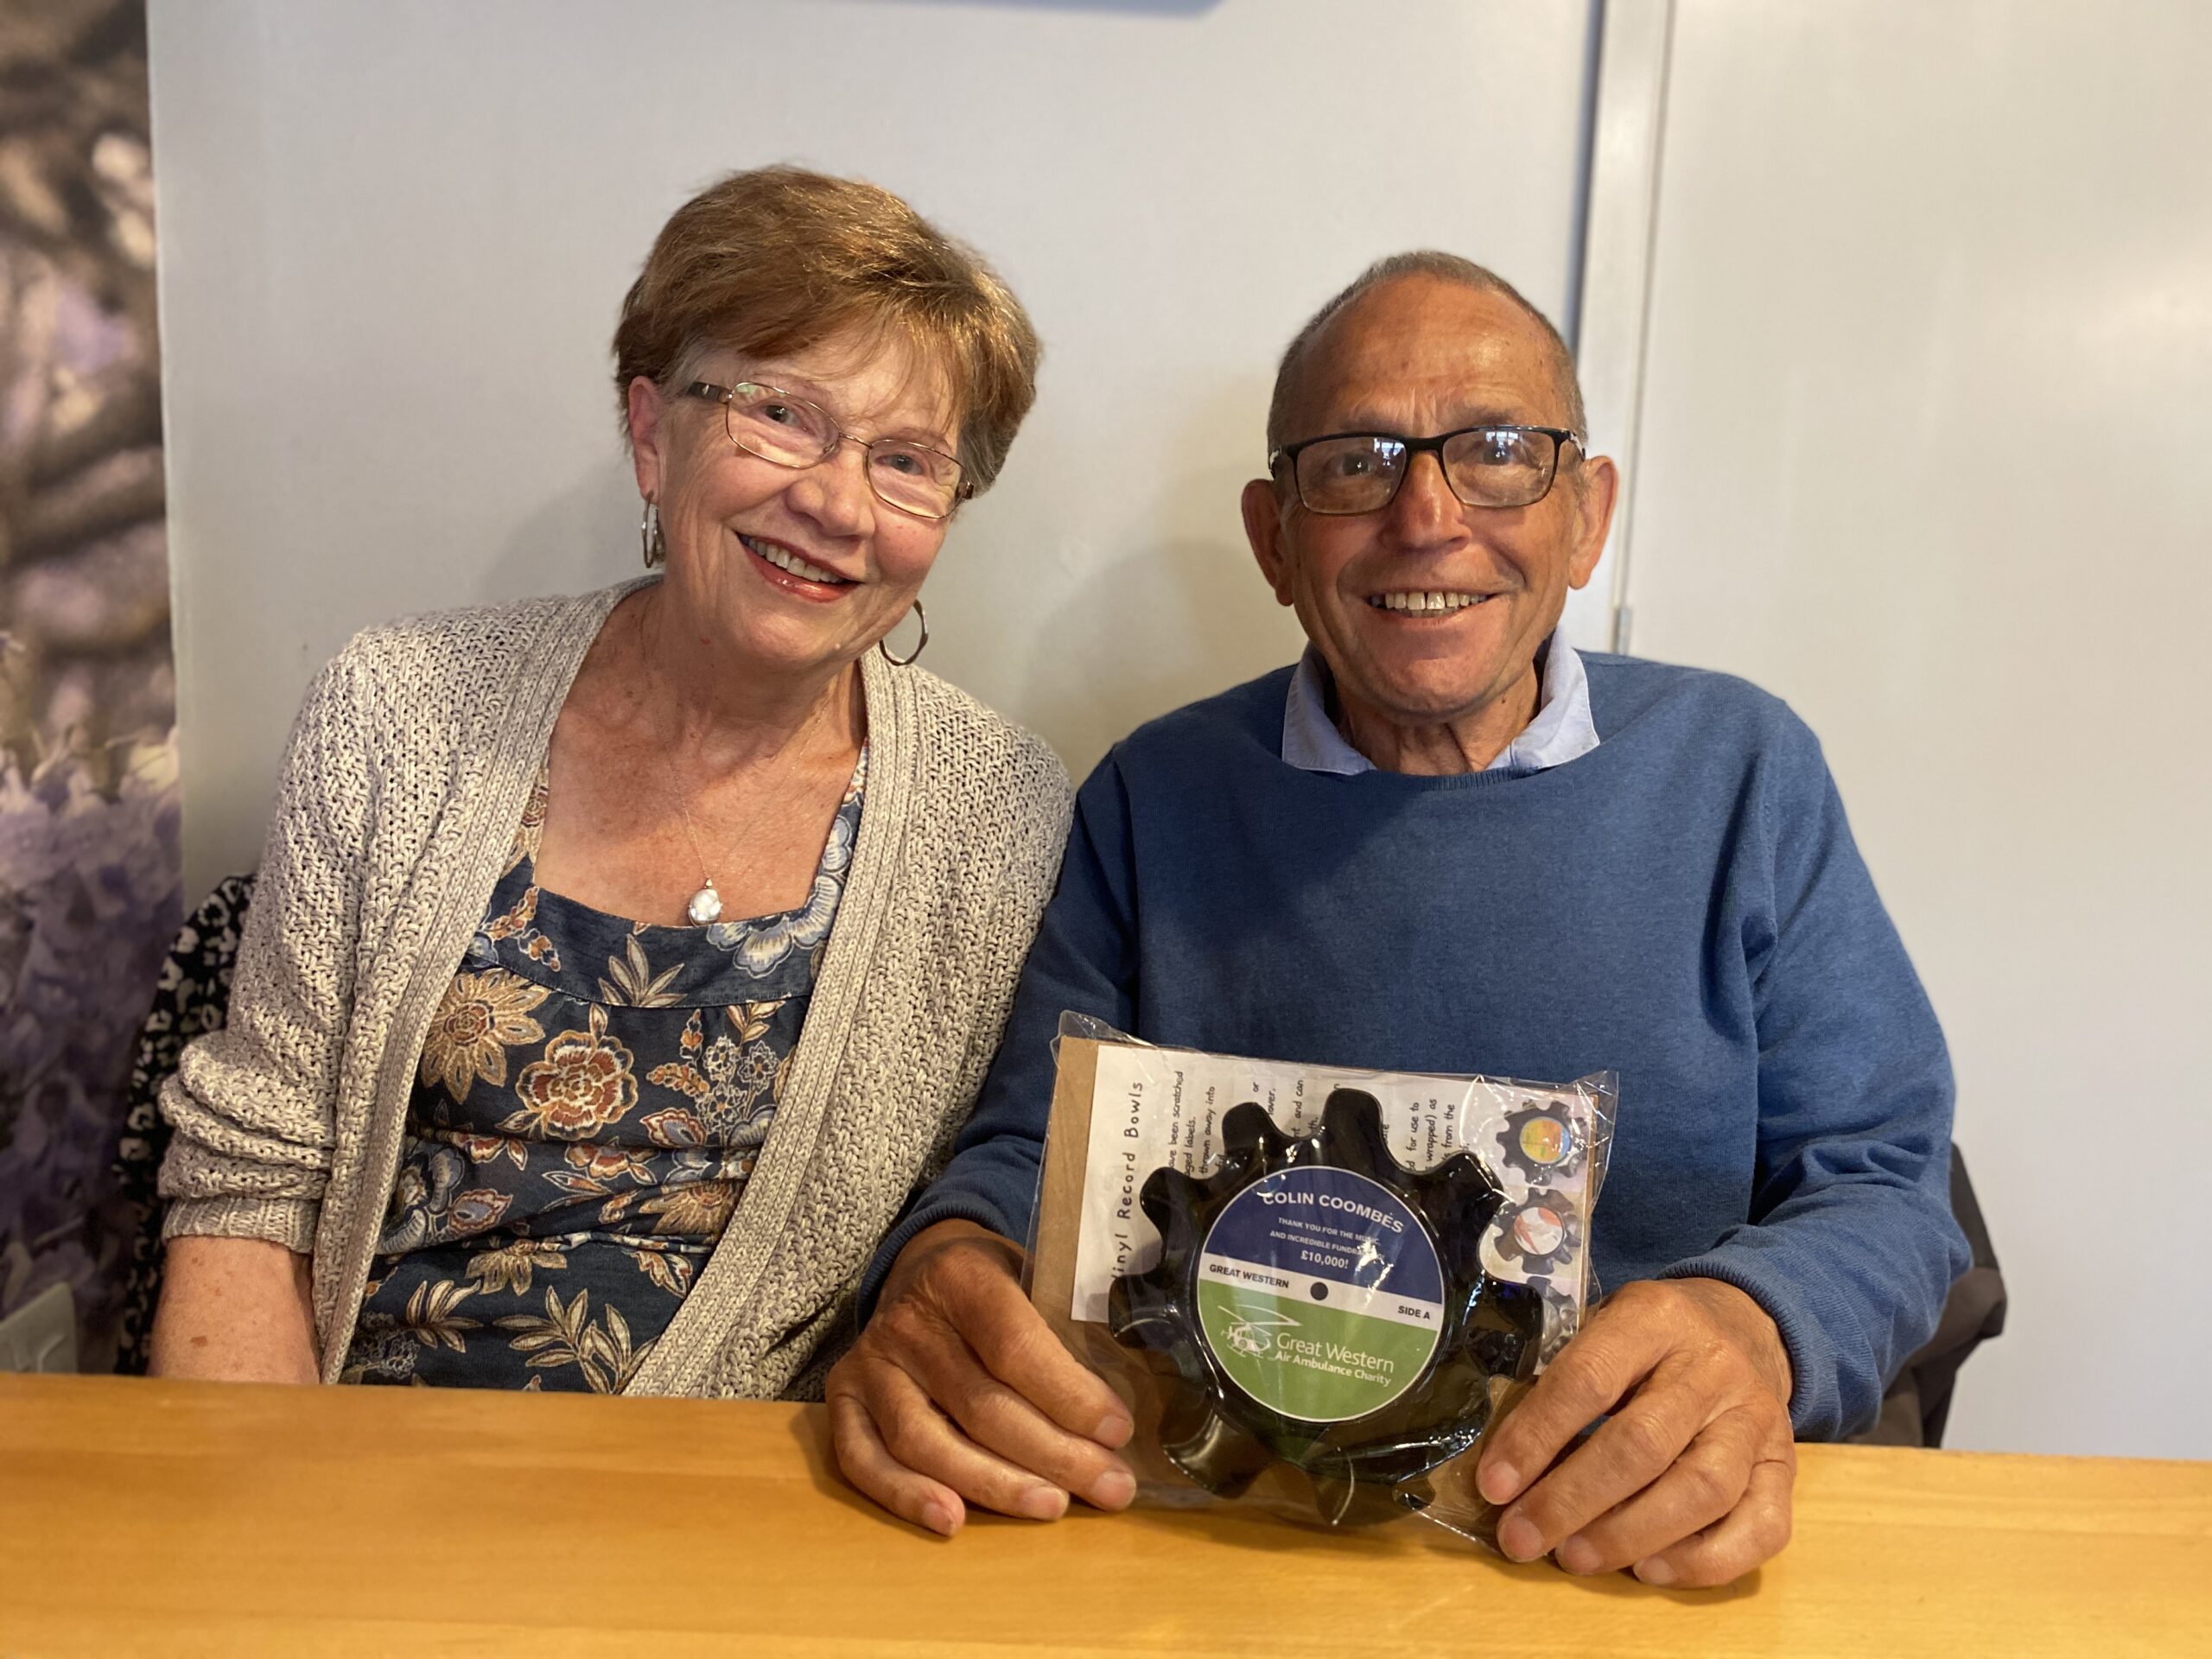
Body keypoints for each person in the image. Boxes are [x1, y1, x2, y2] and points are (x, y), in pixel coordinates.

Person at [830, 252, 1970, 1586]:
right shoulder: (1157, 793)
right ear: (1274, 536)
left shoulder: (1744, 772)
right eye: (1359, 461)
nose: (1427, 517)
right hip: (1226, 1530)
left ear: (1586, 515)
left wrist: (1758, 1322)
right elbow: (1034, 1146)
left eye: (1498, 452)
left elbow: (1888, 1184)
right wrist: (948, 1256)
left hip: (1621, 1540)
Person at [149, 166, 1072, 1400]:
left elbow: (968, 1215)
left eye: (906, 460)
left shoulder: (999, 807)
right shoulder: (397, 707)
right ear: (652, 432)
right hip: (359, 1468)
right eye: (781, 415)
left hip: (753, 1501)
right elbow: (250, 1191)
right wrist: (266, 1529)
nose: (837, 501)